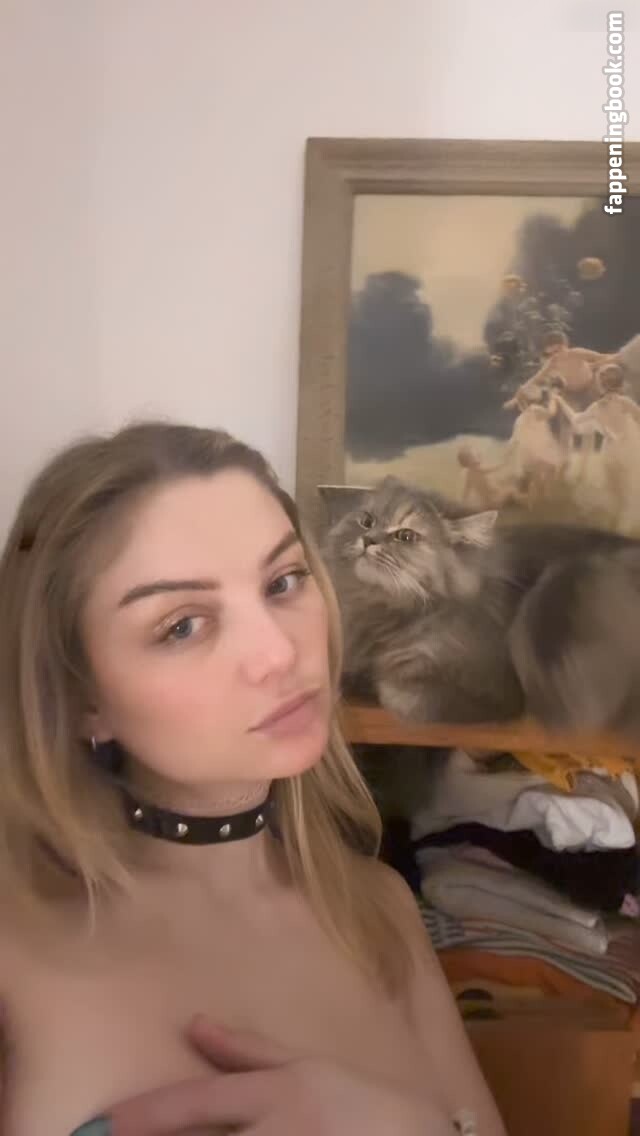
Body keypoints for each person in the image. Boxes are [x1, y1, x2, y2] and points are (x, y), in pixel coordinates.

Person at [0, 421, 505, 1136]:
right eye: (182, 625)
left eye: (283, 582)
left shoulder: (380, 909)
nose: (278, 652)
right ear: (83, 697)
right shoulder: (13, 943)